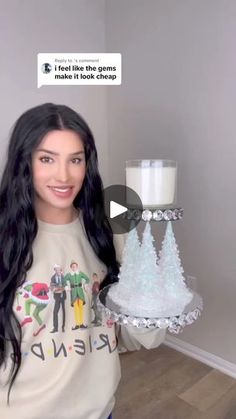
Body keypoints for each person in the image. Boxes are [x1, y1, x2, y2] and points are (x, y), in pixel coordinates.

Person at [0, 103, 166, 419]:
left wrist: (136, 247)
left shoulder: (106, 231)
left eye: (75, 159)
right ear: (25, 162)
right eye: (46, 159)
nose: (64, 175)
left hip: (100, 412)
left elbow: (138, 337)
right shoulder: (5, 239)